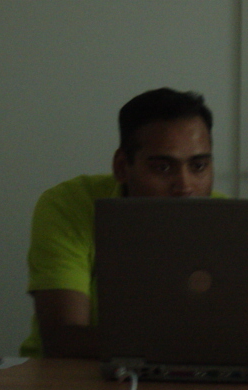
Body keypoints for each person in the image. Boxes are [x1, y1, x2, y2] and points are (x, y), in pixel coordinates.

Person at [20, 88, 224, 358]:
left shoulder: (226, 217)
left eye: (198, 166)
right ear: (121, 167)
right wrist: (187, 346)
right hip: (73, 376)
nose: (184, 186)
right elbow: (64, 338)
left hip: (189, 378)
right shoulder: (70, 205)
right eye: (163, 167)